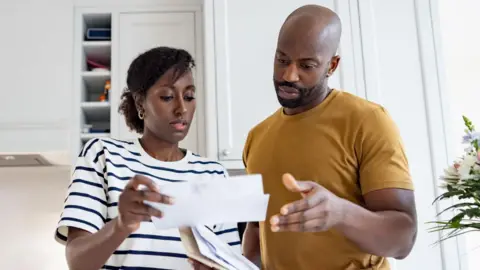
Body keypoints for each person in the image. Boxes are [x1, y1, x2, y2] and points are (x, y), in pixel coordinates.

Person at [241, 4, 418, 270]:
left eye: (307, 65)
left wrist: (340, 213)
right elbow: (257, 233)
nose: (289, 75)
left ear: (332, 66)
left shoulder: (367, 121)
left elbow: (404, 239)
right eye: (282, 60)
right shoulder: (256, 137)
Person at [54, 47, 240, 270]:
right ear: (140, 103)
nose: (182, 108)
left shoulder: (214, 175)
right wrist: (121, 225)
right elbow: (77, 262)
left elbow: (231, 264)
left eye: (189, 96)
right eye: (168, 97)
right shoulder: (104, 156)